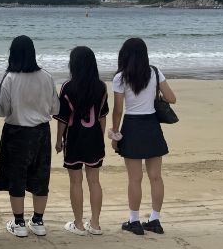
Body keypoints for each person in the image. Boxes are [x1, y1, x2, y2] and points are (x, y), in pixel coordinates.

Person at [110, 38, 177, 235]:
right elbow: (172, 98)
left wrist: (115, 134)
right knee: (155, 177)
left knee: (134, 178)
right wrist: (156, 98)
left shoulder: (121, 77)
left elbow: (118, 110)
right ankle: (155, 220)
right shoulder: (154, 72)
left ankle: (134, 221)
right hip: (151, 125)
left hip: (132, 126)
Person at [0, 35, 59, 238]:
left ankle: (19, 222)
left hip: (16, 132)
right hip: (41, 132)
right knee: (40, 176)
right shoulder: (46, 76)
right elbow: (55, 108)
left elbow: (2, 110)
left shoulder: (10, 78)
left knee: (16, 178)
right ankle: (38, 221)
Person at [53, 46, 108, 236]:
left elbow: (63, 118)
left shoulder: (68, 87)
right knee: (94, 181)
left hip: (74, 139)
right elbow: (102, 116)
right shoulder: (101, 87)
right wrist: (100, 137)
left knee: (76, 182)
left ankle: (78, 224)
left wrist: (59, 140)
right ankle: (95, 224)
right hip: (94, 139)